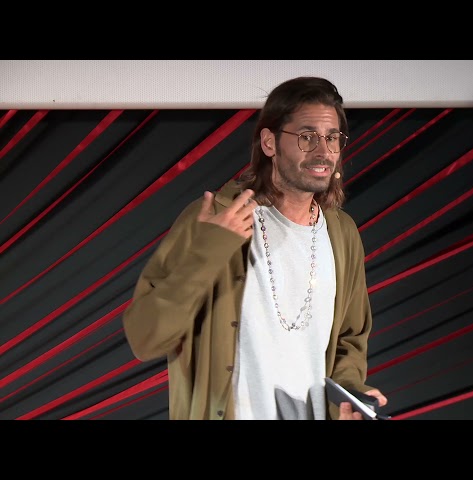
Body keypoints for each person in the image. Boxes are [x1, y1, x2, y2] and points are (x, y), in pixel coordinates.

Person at [122, 76, 387, 420]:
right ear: (269, 142)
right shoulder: (215, 219)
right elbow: (145, 339)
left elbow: (348, 341)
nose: (324, 152)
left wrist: (350, 394)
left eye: (332, 138)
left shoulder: (343, 232)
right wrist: (209, 251)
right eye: (307, 137)